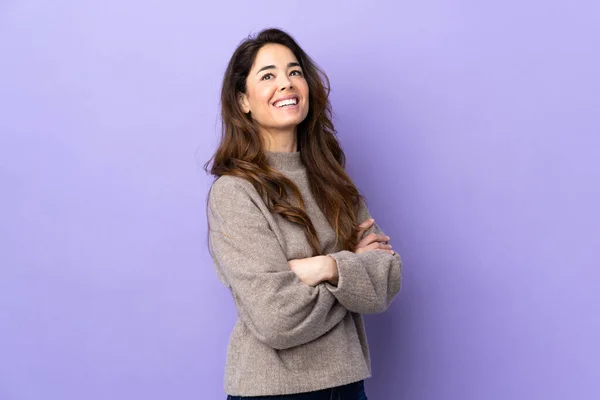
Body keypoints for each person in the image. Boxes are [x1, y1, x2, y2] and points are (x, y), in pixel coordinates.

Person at [205, 27, 402, 400]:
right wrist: (351, 271)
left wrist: (325, 267)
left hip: (348, 385)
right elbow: (274, 317)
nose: (286, 83)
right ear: (243, 100)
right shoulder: (234, 193)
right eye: (268, 76)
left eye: (294, 72)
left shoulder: (331, 179)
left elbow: (386, 280)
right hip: (273, 392)